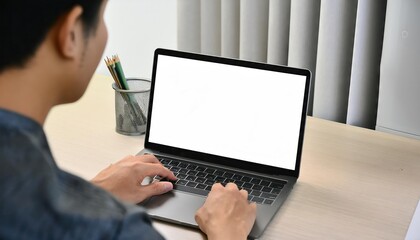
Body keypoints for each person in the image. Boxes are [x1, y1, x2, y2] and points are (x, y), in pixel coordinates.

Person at [0, 0, 256, 239]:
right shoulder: (118, 230)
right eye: (102, 18)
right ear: (71, 35)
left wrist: (89, 194)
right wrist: (227, 232)